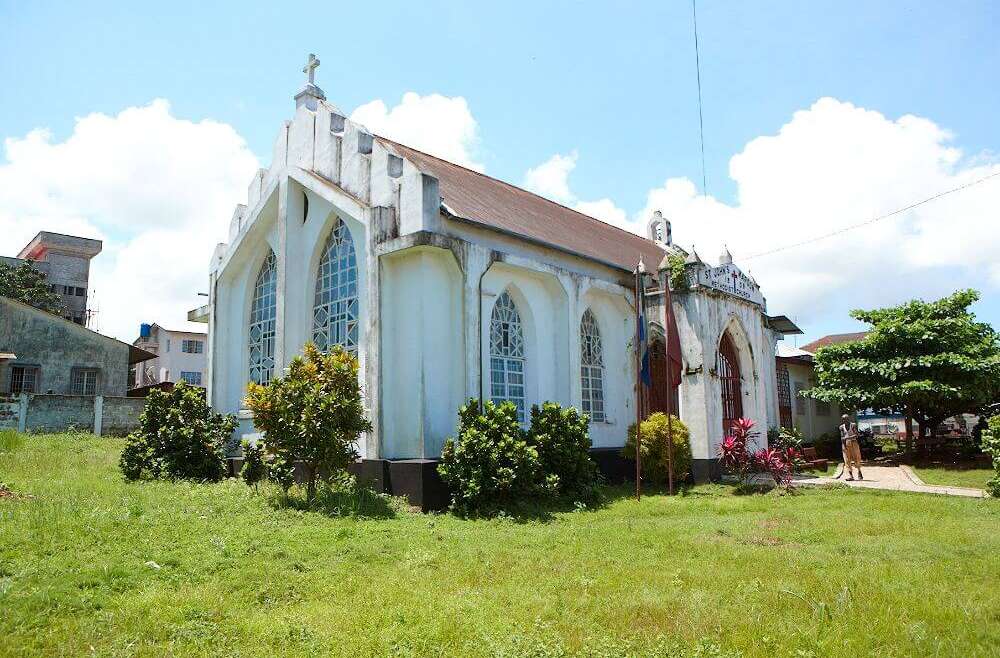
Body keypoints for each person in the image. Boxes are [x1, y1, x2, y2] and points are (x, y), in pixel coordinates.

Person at [839, 414, 864, 481]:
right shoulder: (841, 427)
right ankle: (850, 475)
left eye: (846, 419)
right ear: (842, 420)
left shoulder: (853, 425)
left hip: (854, 443)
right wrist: (844, 445)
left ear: (848, 419)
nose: (845, 420)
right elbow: (842, 437)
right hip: (845, 445)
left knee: (857, 458)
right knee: (847, 460)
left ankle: (859, 471)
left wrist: (847, 437)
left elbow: (856, 435)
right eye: (844, 419)